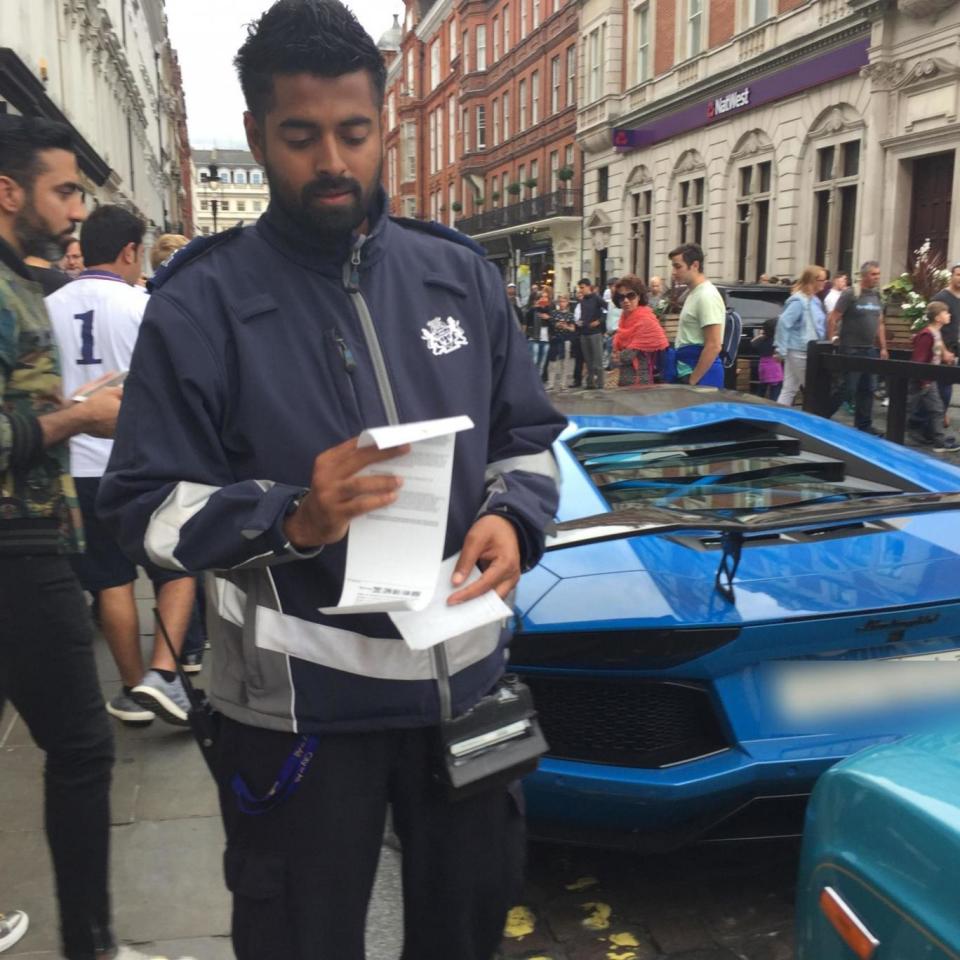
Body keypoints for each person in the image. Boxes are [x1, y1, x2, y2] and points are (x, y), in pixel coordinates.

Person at [97, 3, 565, 958]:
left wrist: (514, 517)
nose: (332, 162)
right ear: (260, 134)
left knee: (468, 934)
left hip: (466, 695)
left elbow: (527, 438)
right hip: (299, 715)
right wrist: (294, 519)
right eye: (300, 137)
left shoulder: (460, 276)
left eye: (353, 133)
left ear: (384, 123)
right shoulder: (202, 299)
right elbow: (143, 509)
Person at [0, 114, 193, 960]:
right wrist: (82, 413)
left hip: (46, 524)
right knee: (80, 748)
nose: (78, 208)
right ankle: (93, 946)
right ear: (10, 193)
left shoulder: (29, 283)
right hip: (17, 546)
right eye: (65, 189)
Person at [46, 205, 198, 727]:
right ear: (131, 252)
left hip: (78, 466)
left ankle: (135, 690)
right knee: (177, 568)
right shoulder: (143, 306)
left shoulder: (48, 305)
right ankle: (164, 674)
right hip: (143, 463)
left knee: (110, 582)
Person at [827, 260, 888, 434]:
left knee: (868, 388)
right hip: (851, 348)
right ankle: (822, 415)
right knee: (847, 388)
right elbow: (833, 318)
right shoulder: (850, 294)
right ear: (864, 275)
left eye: (878, 274)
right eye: (873, 274)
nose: (877, 277)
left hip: (869, 349)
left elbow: (880, 323)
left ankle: (864, 424)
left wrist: (883, 347)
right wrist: (831, 339)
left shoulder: (877, 296)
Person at [668, 242, 726, 387]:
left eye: (678, 266)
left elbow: (714, 345)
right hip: (689, 369)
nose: (673, 272)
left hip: (701, 374)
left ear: (695, 265)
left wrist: (693, 380)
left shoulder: (706, 295)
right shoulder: (694, 293)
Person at [774, 264, 827, 407]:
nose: (824, 283)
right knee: (812, 387)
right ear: (812, 281)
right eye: (821, 280)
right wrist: (781, 349)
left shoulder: (813, 300)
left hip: (802, 348)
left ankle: (779, 417)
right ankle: (815, 419)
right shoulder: (800, 301)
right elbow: (784, 322)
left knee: (789, 388)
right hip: (800, 349)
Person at [907, 300, 957, 451]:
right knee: (912, 407)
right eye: (946, 312)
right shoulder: (927, 335)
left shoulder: (936, 334)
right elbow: (919, 360)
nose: (949, 315)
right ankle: (897, 435)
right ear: (937, 317)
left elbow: (934, 354)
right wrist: (924, 381)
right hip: (923, 380)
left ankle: (939, 441)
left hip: (929, 379)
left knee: (936, 409)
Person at [611, 275, 668, 386]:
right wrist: (616, 356)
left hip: (639, 379)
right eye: (621, 297)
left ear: (639, 296)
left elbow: (628, 355)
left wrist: (618, 356)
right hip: (623, 379)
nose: (626, 300)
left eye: (630, 295)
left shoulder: (645, 319)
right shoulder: (624, 318)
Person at [933, 262, 960, 421]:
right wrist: (943, 351)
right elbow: (934, 328)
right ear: (951, 276)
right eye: (958, 274)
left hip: (957, 347)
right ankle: (938, 416)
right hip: (945, 348)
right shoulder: (942, 298)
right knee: (944, 384)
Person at [576, 277, 606, 389]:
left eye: (582, 287)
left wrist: (599, 321)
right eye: (579, 288)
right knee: (588, 361)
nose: (580, 290)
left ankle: (600, 384)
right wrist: (580, 322)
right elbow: (583, 315)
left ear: (588, 287)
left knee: (598, 361)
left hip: (595, 333)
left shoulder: (597, 298)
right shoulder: (582, 300)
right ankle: (590, 383)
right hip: (584, 333)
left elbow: (607, 310)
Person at [547, 292, 576, 391]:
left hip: (566, 339)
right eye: (560, 301)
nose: (561, 303)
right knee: (553, 362)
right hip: (555, 339)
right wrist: (557, 325)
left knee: (565, 363)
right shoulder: (554, 313)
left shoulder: (570, 315)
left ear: (567, 302)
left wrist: (565, 326)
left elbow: (573, 329)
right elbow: (551, 324)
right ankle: (551, 383)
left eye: (563, 301)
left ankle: (563, 384)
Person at [753, 317, 783, 400]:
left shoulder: (761, 340)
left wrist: (761, 335)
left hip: (762, 366)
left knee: (762, 388)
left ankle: (757, 404)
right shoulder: (776, 341)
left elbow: (752, 343)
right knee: (775, 391)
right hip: (774, 368)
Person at [525, 291, 552, 380]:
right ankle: (532, 381)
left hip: (546, 339)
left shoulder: (549, 310)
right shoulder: (532, 310)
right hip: (534, 338)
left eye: (546, 297)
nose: (544, 299)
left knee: (542, 363)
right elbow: (526, 324)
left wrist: (549, 318)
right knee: (534, 361)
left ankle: (538, 382)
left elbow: (554, 324)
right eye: (542, 297)